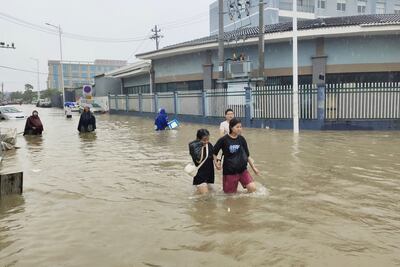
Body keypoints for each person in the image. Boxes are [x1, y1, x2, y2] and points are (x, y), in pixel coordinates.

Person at [213, 118, 260, 194]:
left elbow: (247, 155)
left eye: (240, 127)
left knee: (252, 188)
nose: (239, 129)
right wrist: (216, 163)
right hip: (230, 172)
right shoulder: (223, 140)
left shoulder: (242, 139)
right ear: (231, 127)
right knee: (230, 196)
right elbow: (214, 152)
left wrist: (254, 168)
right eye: (237, 127)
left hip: (242, 170)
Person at [189, 129, 215, 194]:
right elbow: (197, 159)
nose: (206, 141)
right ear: (198, 139)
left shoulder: (209, 145)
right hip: (200, 176)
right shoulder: (194, 147)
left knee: (209, 194)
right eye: (204, 140)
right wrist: (200, 144)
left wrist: (217, 163)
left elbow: (213, 154)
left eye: (208, 139)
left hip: (209, 175)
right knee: (205, 196)